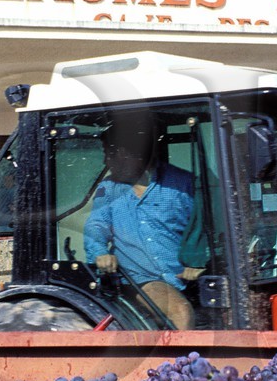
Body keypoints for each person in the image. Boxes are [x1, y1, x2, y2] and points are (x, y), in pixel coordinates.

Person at [83, 115, 205, 329]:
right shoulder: (109, 189)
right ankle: (184, 363)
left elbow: (206, 225)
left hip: (185, 276)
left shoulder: (182, 183)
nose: (105, 162)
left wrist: (200, 261)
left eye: (108, 154)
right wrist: (100, 253)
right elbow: (96, 225)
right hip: (139, 279)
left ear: (126, 153)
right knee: (180, 312)